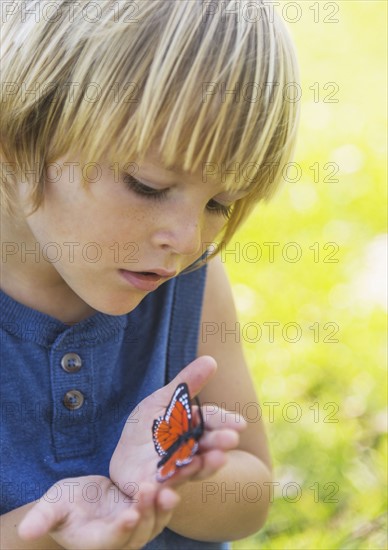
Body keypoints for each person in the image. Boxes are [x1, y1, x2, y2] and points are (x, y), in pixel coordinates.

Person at [0, 0, 299, 548]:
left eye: (221, 204)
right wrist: (45, 535)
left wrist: (175, 478)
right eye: (148, 184)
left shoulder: (189, 282)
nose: (186, 240)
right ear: (19, 136)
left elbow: (252, 490)